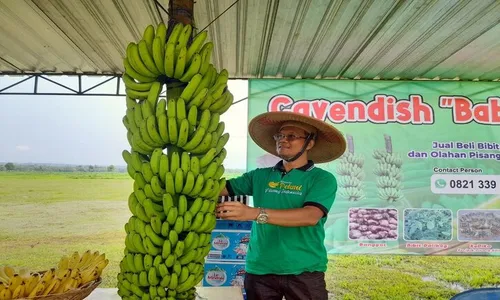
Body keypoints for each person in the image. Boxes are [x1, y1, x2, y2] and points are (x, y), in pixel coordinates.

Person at [216, 111, 347, 300]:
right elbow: (220, 189)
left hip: (304, 269)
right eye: (280, 135)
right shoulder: (259, 176)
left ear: (309, 143)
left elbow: (310, 216)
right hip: (260, 268)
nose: (283, 140)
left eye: (291, 136)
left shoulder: (322, 179)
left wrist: (254, 213)